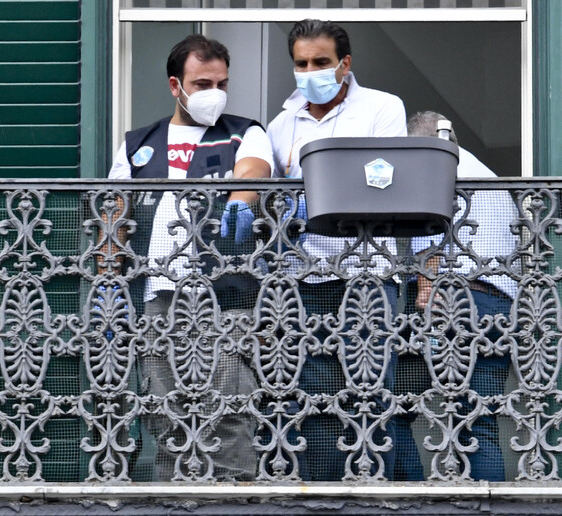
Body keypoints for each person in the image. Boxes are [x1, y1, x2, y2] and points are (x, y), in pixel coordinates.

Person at [107, 34, 273, 481]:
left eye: (221, 83)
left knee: (229, 405)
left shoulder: (244, 130)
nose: (213, 94)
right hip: (154, 294)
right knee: (164, 409)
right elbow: (114, 216)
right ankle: (172, 496)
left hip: (222, 293)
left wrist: (240, 201)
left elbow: (254, 170)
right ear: (175, 85)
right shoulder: (138, 143)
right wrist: (108, 280)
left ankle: (234, 498)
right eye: (202, 84)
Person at [266, 19, 407, 481]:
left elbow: (384, 181)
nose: (310, 71)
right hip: (301, 280)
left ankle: (373, 495)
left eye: (321, 62)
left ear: (344, 65)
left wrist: (314, 193)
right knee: (311, 398)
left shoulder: (383, 108)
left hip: (367, 277)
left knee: (368, 393)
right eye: (301, 63)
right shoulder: (282, 123)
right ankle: (322, 493)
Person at [407, 111, 518, 481]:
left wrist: (426, 281)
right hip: (498, 303)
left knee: (401, 408)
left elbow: (431, 223)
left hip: (457, 301)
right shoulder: (486, 174)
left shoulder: (438, 162)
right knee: (479, 419)